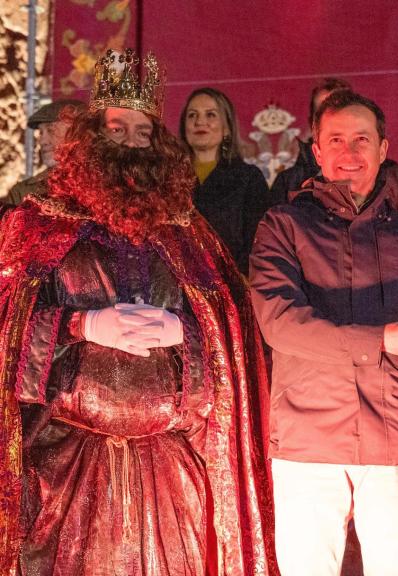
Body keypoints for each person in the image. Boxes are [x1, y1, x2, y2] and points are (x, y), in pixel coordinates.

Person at [0, 49, 276, 575]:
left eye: (142, 132)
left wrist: (187, 331)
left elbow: (232, 328)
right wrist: (80, 324)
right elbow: (6, 326)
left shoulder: (186, 231)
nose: (129, 142)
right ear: (90, 137)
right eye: (117, 127)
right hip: (65, 462)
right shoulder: (37, 224)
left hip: (170, 466)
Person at [249, 89, 398, 576]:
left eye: (362, 140)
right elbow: (280, 323)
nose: (350, 153)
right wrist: (382, 339)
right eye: (337, 140)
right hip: (310, 436)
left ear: (384, 148)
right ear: (317, 151)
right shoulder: (282, 227)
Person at [180, 87, 272, 274]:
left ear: (227, 128)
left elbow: (259, 245)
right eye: (192, 115)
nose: (200, 122)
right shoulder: (168, 178)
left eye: (211, 115)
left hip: (232, 290)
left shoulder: (248, 179)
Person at [269, 77, 352, 205]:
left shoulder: (381, 177)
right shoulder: (287, 184)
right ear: (311, 123)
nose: (332, 120)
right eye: (322, 112)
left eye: (339, 110)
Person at [5, 98, 85, 206]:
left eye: (51, 130)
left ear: (77, 132)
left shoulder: (105, 184)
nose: (42, 141)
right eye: (41, 132)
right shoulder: (23, 193)